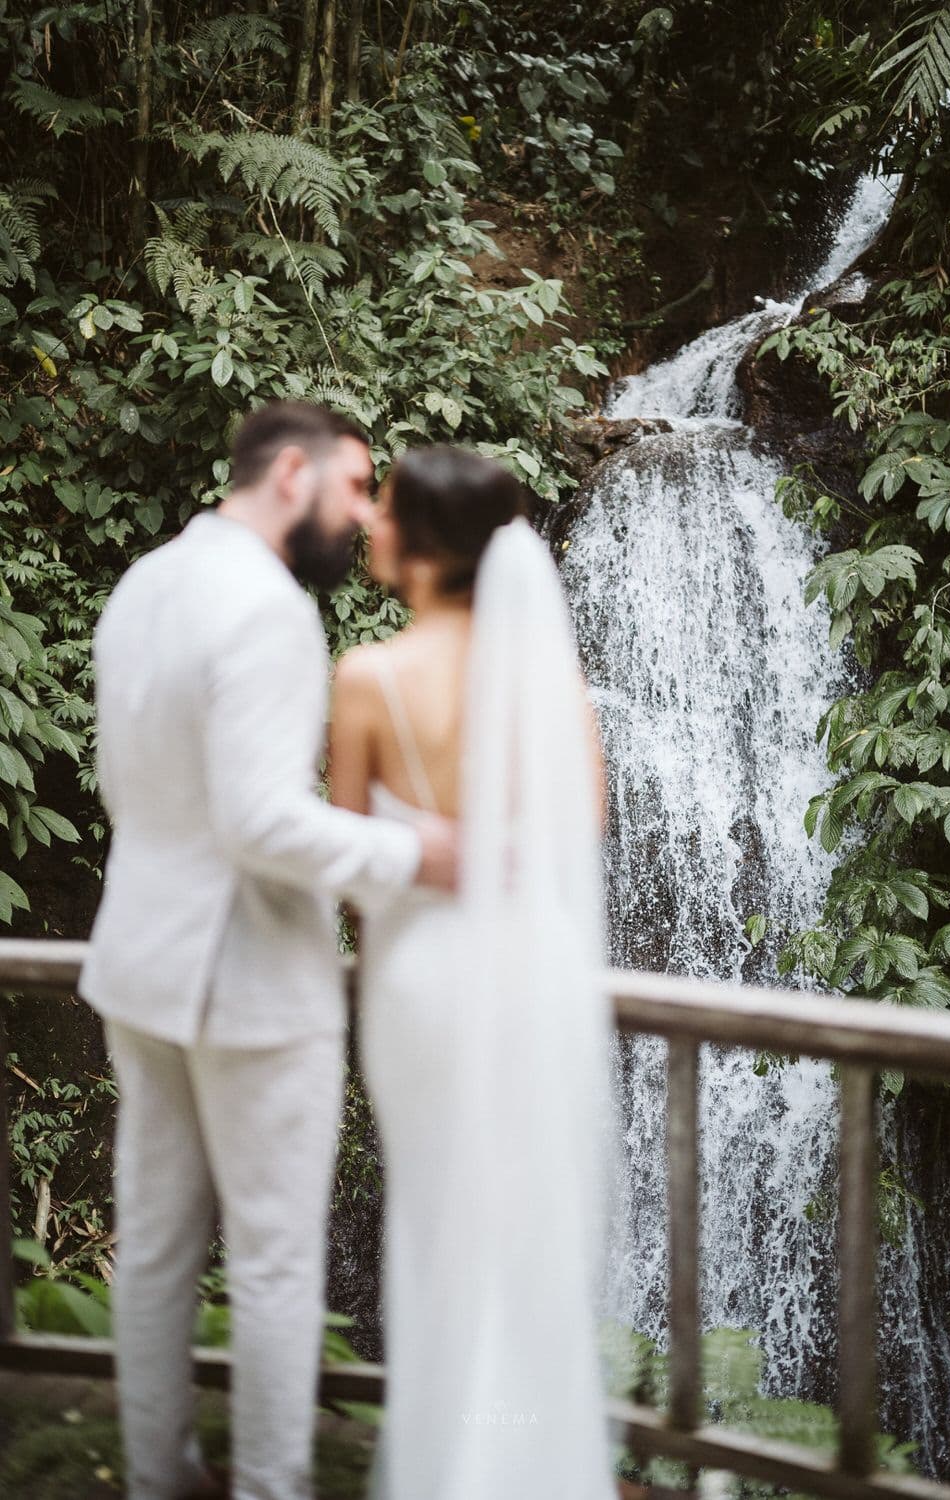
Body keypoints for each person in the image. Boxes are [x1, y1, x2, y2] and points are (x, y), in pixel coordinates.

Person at [79, 402, 456, 1500]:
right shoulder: (270, 609)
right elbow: (258, 821)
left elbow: (135, 787)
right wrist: (414, 851)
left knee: (153, 1248)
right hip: (247, 980)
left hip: (141, 960)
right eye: (353, 488)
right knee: (278, 1261)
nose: (363, 515)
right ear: (291, 473)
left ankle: (159, 1478)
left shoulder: (146, 583)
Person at [328, 446, 618, 1500]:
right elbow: (577, 837)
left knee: (435, 1214)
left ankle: (447, 1464)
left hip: (419, 980)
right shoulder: (547, 677)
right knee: (519, 1217)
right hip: (527, 970)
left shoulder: (367, 678)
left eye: (385, 511)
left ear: (420, 542)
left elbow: (356, 863)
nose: (369, 526)